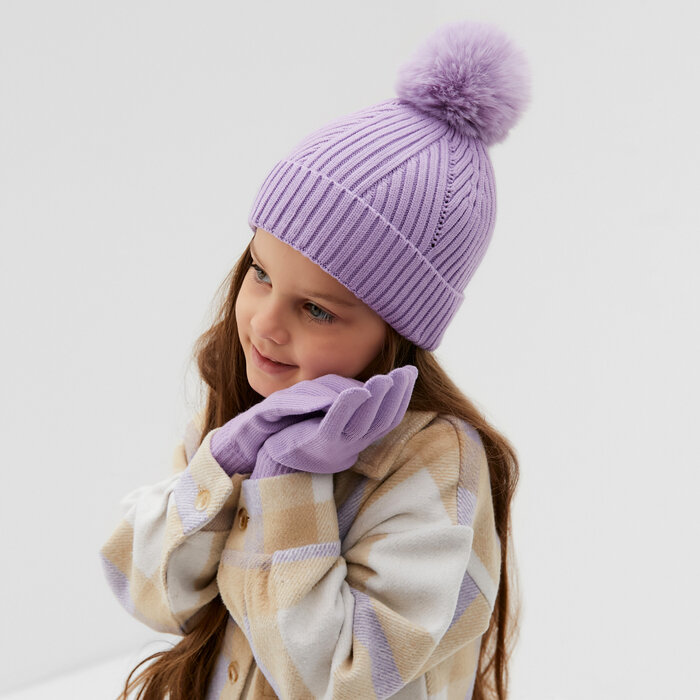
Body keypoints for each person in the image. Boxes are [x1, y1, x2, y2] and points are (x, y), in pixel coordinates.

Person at [100, 19, 531, 700]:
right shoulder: (251, 409)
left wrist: (286, 482)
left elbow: (336, 681)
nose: (265, 325)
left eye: (317, 310)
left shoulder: (435, 462)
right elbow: (144, 588)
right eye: (261, 273)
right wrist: (226, 460)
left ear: (396, 332)